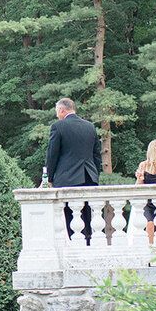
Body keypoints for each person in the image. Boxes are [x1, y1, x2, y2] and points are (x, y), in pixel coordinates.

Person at [43, 97, 102, 239]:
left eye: (57, 112)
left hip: (67, 178)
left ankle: (74, 245)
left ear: (62, 110)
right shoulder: (90, 126)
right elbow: (97, 156)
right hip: (88, 176)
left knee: (70, 217)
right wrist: (95, 175)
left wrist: (49, 177)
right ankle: (88, 242)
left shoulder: (58, 126)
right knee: (87, 215)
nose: (57, 115)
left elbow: (52, 155)